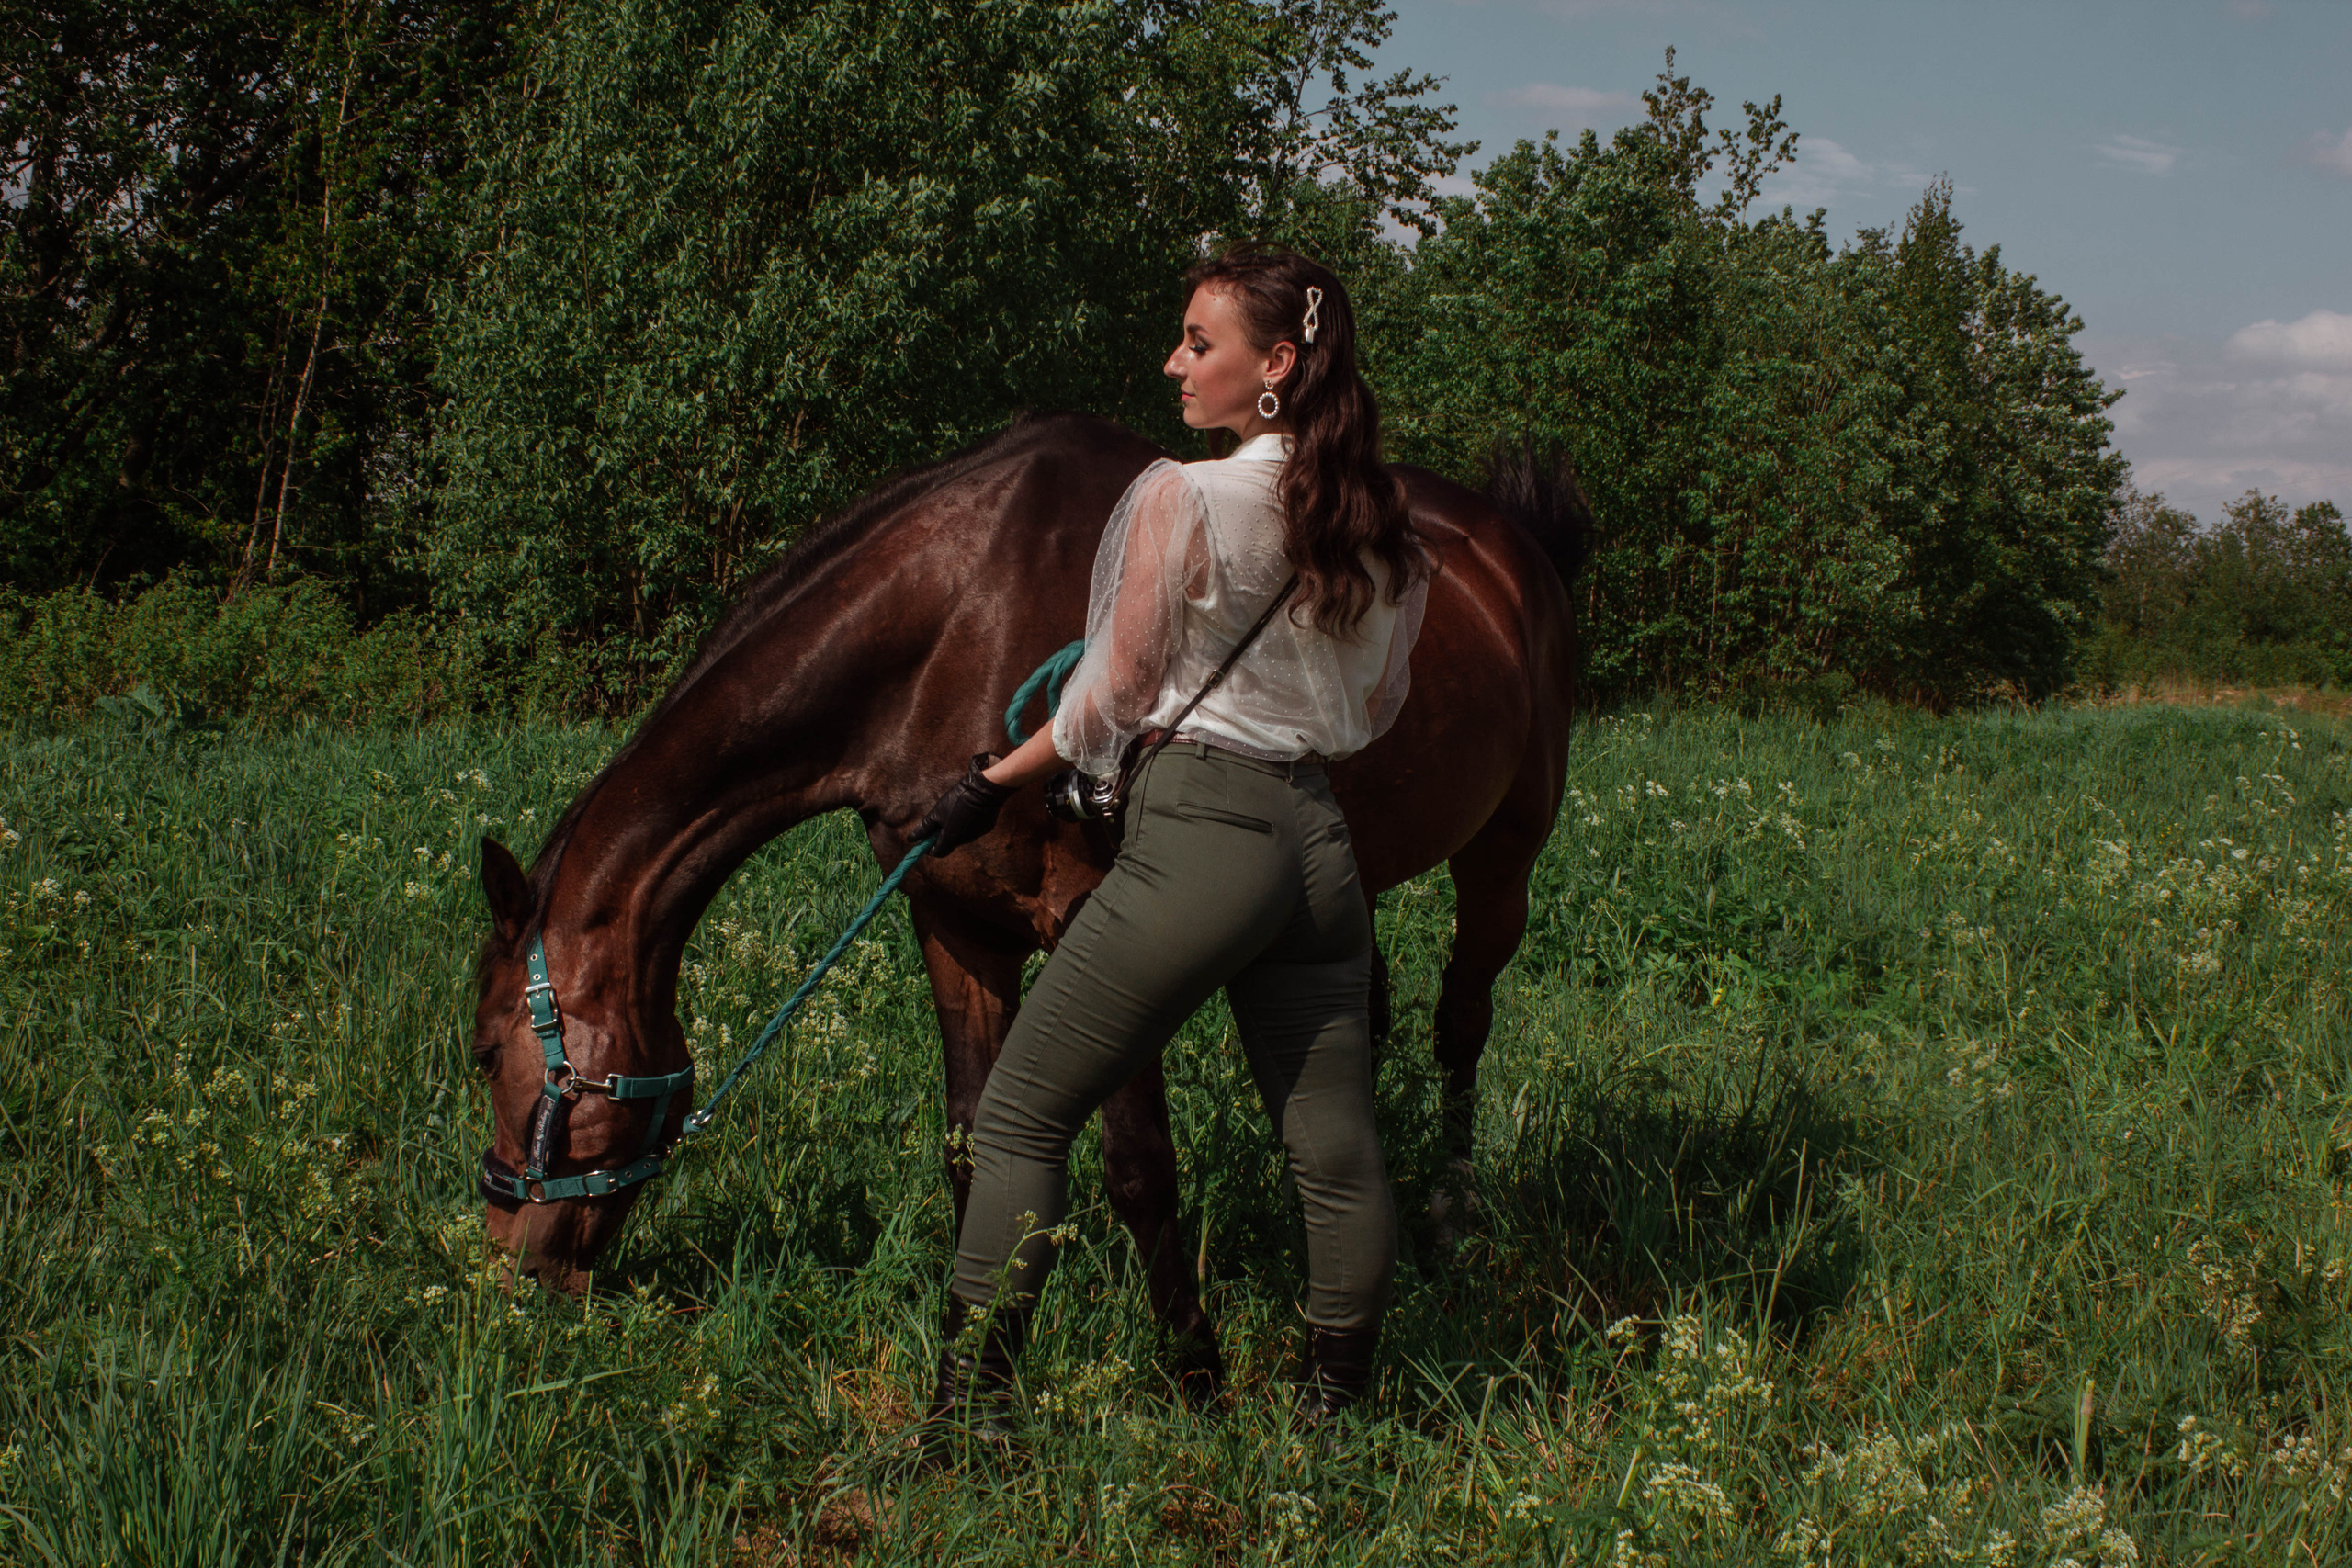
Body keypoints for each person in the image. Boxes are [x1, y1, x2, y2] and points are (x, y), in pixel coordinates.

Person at [914, 243, 1430, 1425]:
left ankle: (970, 1413)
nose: (1173, 364)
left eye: (1200, 343)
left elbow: (1108, 695)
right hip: (1317, 841)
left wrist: (988, 780)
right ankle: (1333, 1418)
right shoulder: (1377, 520)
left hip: (1206, 830)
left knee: (1020, 1111)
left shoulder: (1185, 498)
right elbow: (1377, 704)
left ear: (1276, 367)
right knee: (1335, 1150)